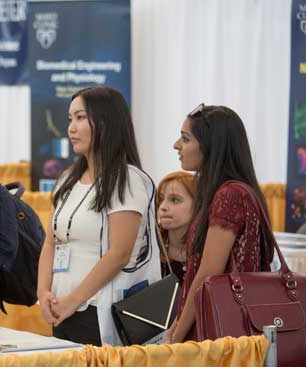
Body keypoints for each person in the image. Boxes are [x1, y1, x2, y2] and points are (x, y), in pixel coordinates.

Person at [37, 86, 160, 346]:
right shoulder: (67, 179)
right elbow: (51, 241)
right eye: (70, 119)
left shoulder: (126, 179)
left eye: (80, 118)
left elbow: (119, 254)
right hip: (62, 308)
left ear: (105, 123)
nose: (71, 127)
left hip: (100, 310)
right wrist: (44, 292)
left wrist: (73, 301)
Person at [165, 104, 274, 343]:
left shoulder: (230, 195)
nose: (176, 145)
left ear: (211, 146)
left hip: (217, 335)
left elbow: (207, 274)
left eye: (185, 139)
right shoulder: (233, 191)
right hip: (223, 330)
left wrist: (177, 336)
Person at [156, 171, 196, 283]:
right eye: (161, 199)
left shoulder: (209, 249)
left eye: (174, 200)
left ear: (198, 205)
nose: (163, 207)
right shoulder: (151, 248)